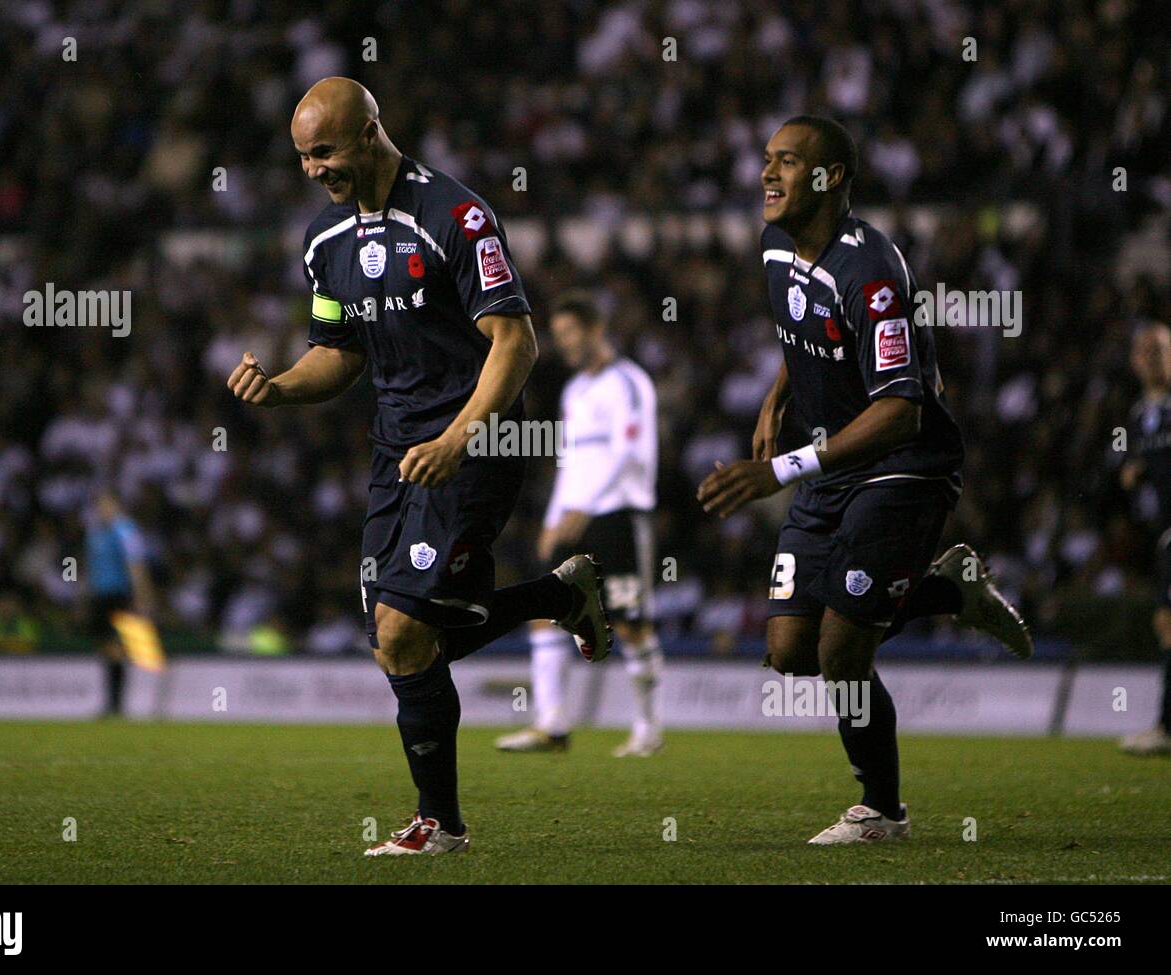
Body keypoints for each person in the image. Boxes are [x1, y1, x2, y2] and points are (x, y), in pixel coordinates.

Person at [227, 78, 611, 856]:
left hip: (479, 440)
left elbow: (517, 344)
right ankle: (557, 595)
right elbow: (335, 356)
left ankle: (442, 825)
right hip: (397, 451)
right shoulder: (324, 242)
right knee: (404, 639)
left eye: (325, 151)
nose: (314, 170)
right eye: (303, 157)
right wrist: (277, 389)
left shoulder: (455, 217)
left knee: (404, 630)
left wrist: (460, 437)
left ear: (371, 132)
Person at [698, 116, 1031, 845]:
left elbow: (901, 411)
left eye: (787, 161)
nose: (767, 174)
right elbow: (808, 331)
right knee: (790, 650)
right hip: (834, 463)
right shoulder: (774, 244)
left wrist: (780, 468)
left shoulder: (873, 271)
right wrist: (776, 395)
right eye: (765, 160)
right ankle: (949, 591)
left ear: (832, 176)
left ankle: (882, 809)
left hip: (901, 466)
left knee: (841, 651)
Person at [495, 291, 663, 757]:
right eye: (560, 335)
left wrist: (582, 509)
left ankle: (648, 729)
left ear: (595, 329)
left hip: (617, 517)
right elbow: (572, 464)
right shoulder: (575, 391)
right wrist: (554, 519)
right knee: (546, 615)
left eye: (571, 333)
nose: (565, 342)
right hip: (571, 520)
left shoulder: (628, 382)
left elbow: (628, 452)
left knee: (630, 625)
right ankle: (552, 724)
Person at [1117, 322, 1171, 755]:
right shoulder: (1139, 416)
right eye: (1145, 351)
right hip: (1162, 533)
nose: (1152, 357)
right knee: (1164, 623)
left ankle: (1166, 727)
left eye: (1160, 349)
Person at [85, 490, 154, 716]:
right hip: (100, 596)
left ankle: (117, 704)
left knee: (119, 648)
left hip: (120, 595)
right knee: (105, 648)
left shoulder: (126, 530)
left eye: (107, 505)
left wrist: (141, 595)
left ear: (116, 506)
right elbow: (90, 567)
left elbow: (136, 564)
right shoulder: (94, 533)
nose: (103, 510)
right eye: (100, 505)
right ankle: (112, 701)